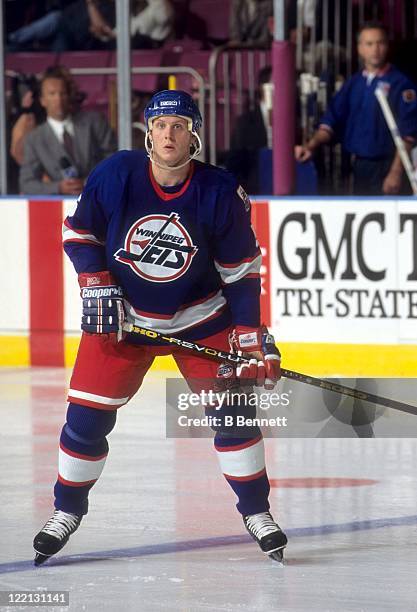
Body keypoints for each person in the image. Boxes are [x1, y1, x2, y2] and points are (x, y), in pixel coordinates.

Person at [32, 89, 287, 565]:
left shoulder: (218, 190)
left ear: (195, 135)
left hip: (202, 318)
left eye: (180, 125)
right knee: (86, 420)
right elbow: (79, 233)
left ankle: (257, 511)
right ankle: (66, 509)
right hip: (124, 320)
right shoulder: (116, 174)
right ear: (147, 132)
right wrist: (96, 284)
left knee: (233, 416)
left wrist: (249, 334)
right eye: (160, 125)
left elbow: (240, 273)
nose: (169, 133)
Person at [295, 22, 417, 195]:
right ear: (360, 48)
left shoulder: (401, 84)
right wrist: (311, 146)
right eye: (369, 44)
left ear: (387, 46)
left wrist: (395, 172)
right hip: (359, 167)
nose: (375, 49)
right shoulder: (353, 84)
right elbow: (331, 120)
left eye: (380, 43)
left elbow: (408, 134)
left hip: (389, 166)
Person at [20, 66, 116, 195]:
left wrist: (87, 183)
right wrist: (58, 188)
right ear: (42, 100)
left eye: (62, 93)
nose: (58, 99)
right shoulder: (34, 139)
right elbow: (27, 184)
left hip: (101, 196)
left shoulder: (95, 122)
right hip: (61, 207)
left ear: (69, 96)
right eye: (52, 94)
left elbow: (114, 161)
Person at [225, 66, 272, 194]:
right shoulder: (245, 122)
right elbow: (235, 164)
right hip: (254, 192)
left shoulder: (295, 121)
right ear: (264, 88)